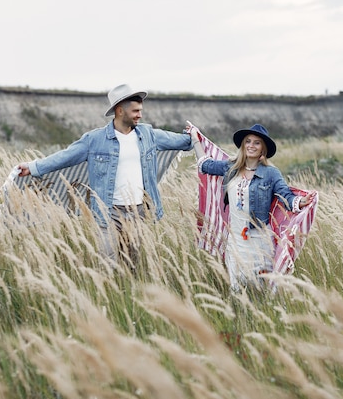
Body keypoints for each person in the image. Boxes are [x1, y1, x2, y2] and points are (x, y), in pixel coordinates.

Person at [16, 84, 193, 272]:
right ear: (119, 111)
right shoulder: (95, 140)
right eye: (135, 111)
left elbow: (182, 142)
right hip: (108, 212)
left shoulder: (148, 135)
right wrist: (34, 167)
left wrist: (193, 136)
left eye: (140, 111)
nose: (139, 115)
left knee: (132, 266)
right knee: (107, 266)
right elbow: (65, 157)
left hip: (138, 211)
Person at [186, 121, 316, 293]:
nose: (251, 146)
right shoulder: (231, 168)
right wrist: (196, 139)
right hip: (235, 239)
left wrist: (299, 202)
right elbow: (205, 165)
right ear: (243, 144)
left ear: (263, 149)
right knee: (237, 287)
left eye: (256, 143)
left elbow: (286, 195)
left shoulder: (271, 173)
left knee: (262, 287)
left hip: (259, 239)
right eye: (248, 141)